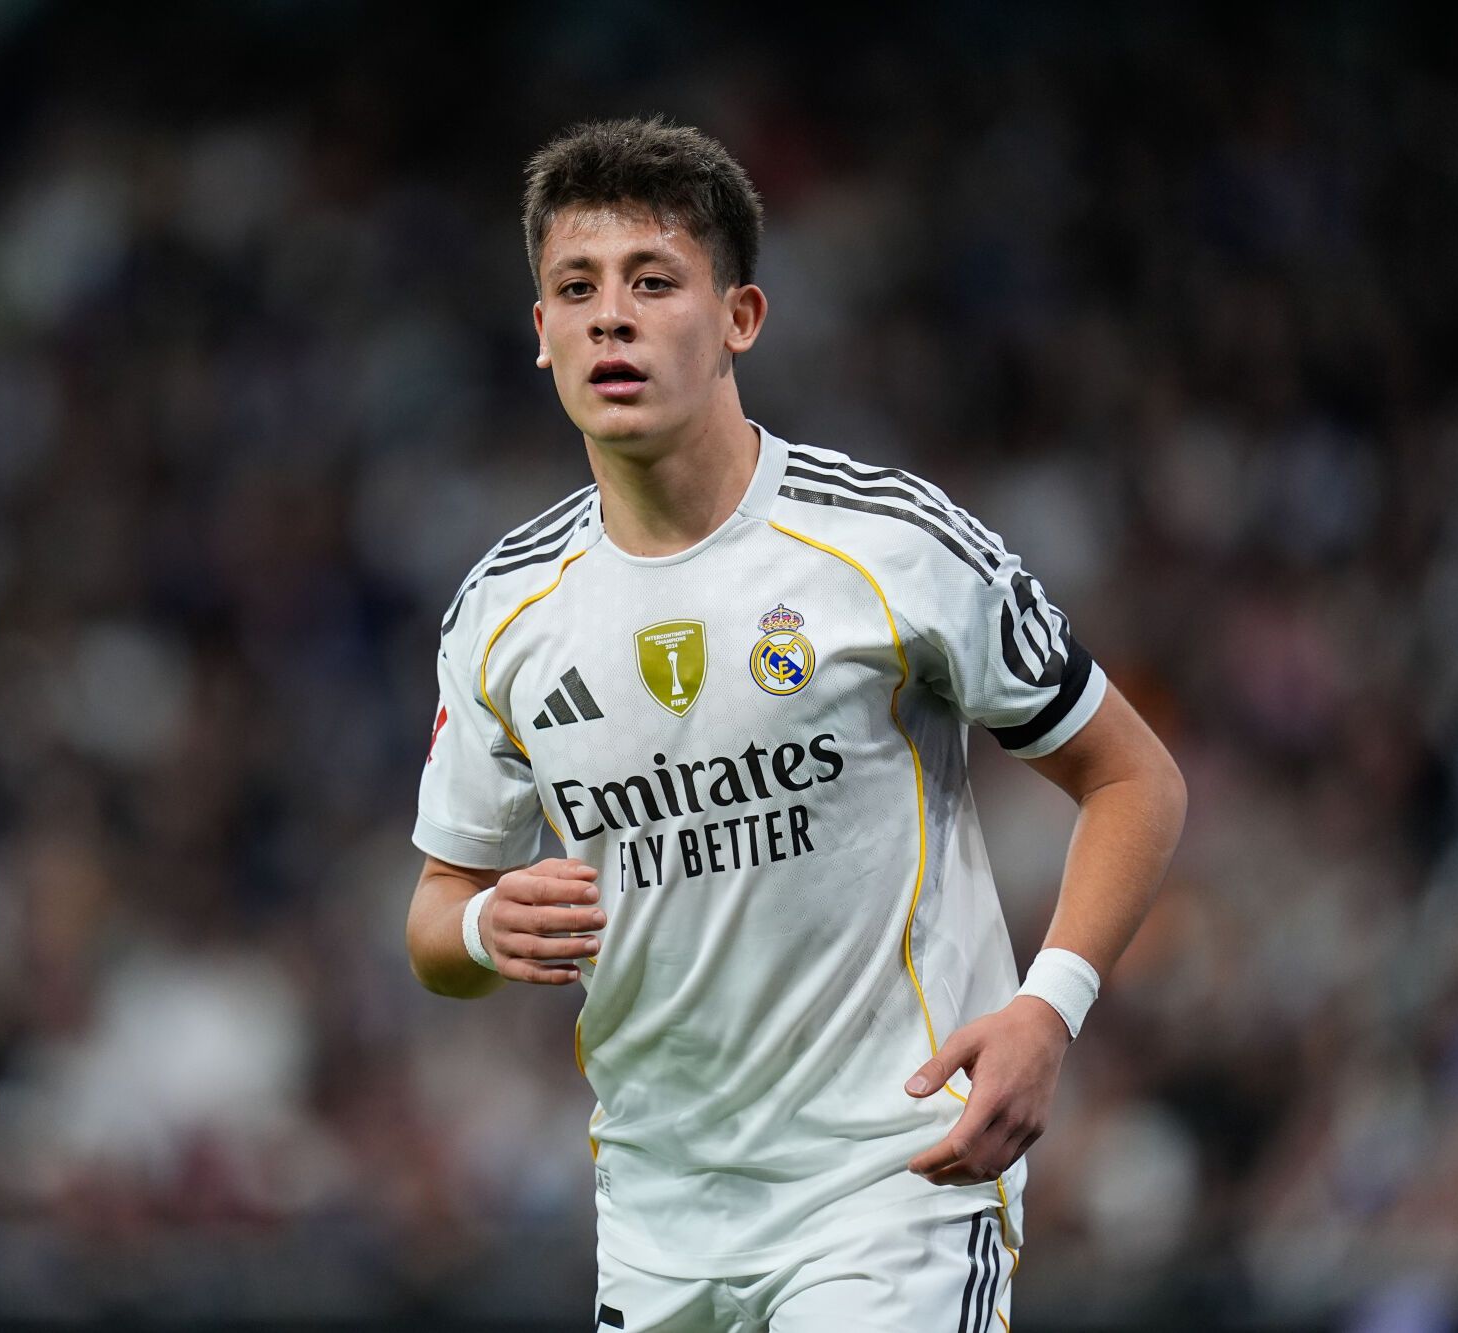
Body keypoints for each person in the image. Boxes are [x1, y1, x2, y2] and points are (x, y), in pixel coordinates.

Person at [404, 116, 1186, 1332]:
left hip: (893, 1183)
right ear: (542, 336)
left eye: (653, 281)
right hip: (658, 1216)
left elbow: (1133, 777)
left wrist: (1047, 1009)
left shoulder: (890, 548)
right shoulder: (502, 613)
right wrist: (480, 923)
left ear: (739, 319)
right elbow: (432, 922)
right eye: (576, 288)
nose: (611, 315)